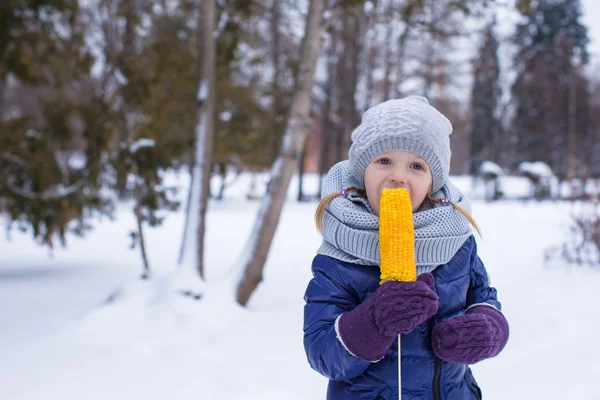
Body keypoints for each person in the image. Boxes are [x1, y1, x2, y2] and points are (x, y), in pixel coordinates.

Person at [303, 96, 509, 400]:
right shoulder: (338, 255)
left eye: (416, 165)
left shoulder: (457, 242)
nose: (399, 175)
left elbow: (484, 298)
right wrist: (373, 321)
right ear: (363, 172)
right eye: (383, 160)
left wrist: (488, 329)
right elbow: (322, 353)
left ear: (432, 181)